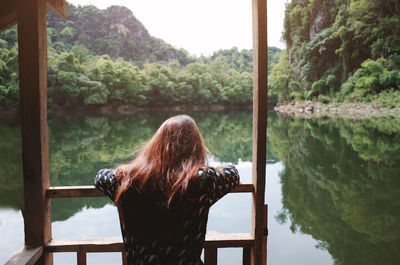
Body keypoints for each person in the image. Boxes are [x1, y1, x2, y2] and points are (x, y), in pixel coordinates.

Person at [94, 115, 240, 265]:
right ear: (194, 146)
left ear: (156, 145)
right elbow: (232, 174)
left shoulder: (127, 179)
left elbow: (100, 177)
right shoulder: (201, 180)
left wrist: (130, 170)